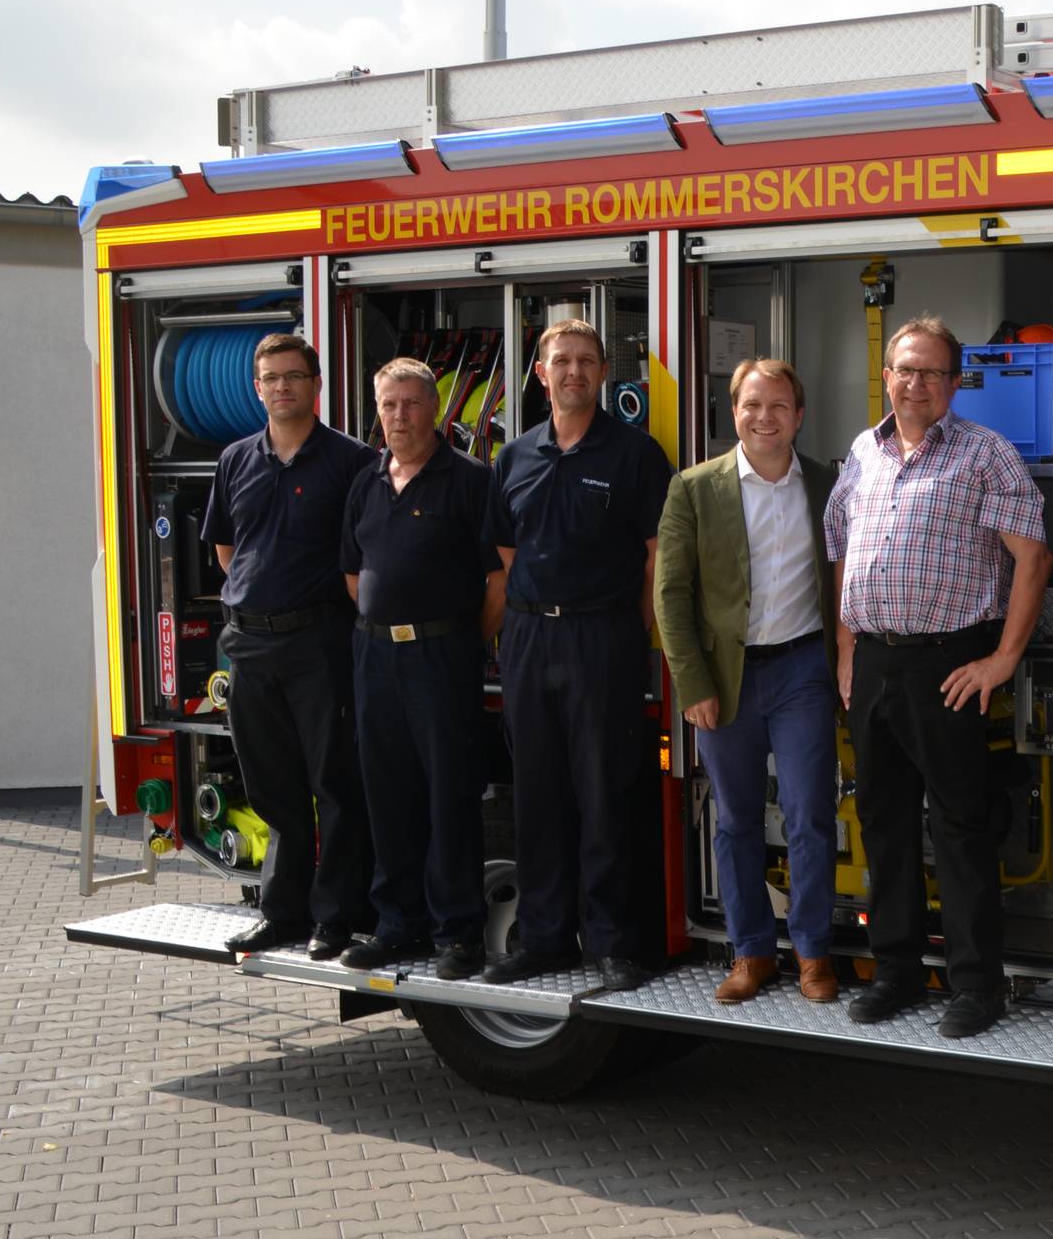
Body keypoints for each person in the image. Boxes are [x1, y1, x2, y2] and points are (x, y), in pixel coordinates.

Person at [824, 314, 1048, 1039]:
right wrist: (847, 650)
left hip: (948, 664)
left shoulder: (987, 454)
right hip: (876, 661)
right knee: (883, 824)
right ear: (885, 376)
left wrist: (1003, 659)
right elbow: (842, 550)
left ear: (955, 383)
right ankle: (895, 972)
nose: (914, 382)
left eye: (929, 372)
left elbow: (1033, 559)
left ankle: (974, 987)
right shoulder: (864, 450)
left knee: (959, 828)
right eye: (903, 369)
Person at [479, 319, 674, 991]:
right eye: (560, 361)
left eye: (586, 361)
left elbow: (657, 560)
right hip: (530, 640)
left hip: (603, 638)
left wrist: (638, 639)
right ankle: (544, 939)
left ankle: (615, 945)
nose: (573, 372)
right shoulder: (516, 457)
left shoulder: (635, 455)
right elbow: (504, 560)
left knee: (605, 791)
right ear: (539, 373)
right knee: (538, 796)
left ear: (602, 372)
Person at [655, 358, 841, 1005]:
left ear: (800, 415)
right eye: (751, 405)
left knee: (809, 814)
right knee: (733, 819)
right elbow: (670, 595)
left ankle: (814, 954)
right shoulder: (694, 488)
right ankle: (751, 953)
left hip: (801, 673)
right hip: (725, 679)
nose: (765, 418)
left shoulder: (826, 484)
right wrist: (692, 683)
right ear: (733, 411)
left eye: (779, 406)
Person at [336, 358, 506, 979]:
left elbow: (499, 580)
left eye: (411, 403)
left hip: (442, 658)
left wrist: (456, 640)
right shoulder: (366, 481)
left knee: (449, 797)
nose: (400, 416)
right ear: (377, 411)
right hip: (375, 656)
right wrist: (390, 630)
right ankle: (397, 925)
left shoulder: (469, 480)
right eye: (389, 405)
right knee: (388, 795)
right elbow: (355, 576)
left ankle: (458, 934)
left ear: (434, 409)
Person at [209, 333, 376, 961]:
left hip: (320, 643)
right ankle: (281, 914)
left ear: (316, 385)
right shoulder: (235, 460)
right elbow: (228, 550)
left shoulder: (351, 461)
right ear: (257, 388)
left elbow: (364, 555)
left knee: (334, 786)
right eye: (270, 378)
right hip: (249, 645)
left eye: (293, 377)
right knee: (273, 789)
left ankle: (335, 918)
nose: (282, 387)